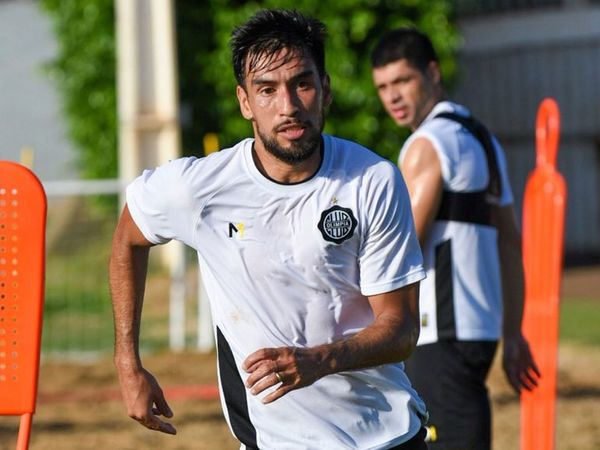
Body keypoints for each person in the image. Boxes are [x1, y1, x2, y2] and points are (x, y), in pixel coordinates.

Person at [110, 10, 430, 450]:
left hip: (384, 437)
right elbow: (129, 236)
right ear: (245, 102)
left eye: (302, 83)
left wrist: (320, 360)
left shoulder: (372, 179)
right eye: (267, 90)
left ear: (325, 89)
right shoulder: (200, 189)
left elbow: (401, 328)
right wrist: (128, 364)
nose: (289, 106)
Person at [371, 28, 541, 450]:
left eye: (402, 81)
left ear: (432, 72)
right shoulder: (481, 136)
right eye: (383, 87)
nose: (392, 96)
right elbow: (510, 241)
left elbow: (399, 248)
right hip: (480, 332)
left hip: (437, 332)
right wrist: (514, 332)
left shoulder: (426, 143)